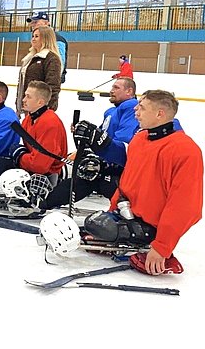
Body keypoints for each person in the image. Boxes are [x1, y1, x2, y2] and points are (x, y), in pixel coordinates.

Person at [80, 90, 202, 275]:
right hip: (128, 216)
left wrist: (162, 247)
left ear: (160, 114)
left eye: (142, 108)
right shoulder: (140, 139)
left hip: (152, 229)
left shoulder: (186, 151)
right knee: (94, 224)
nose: (135, 111)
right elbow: (127, 183)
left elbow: (185, 206)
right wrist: (112, 211)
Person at [41, 78, 139, 209]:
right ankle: (46, 201)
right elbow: (100, 135)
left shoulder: (130, 106)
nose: (111, 91)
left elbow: (122, 142)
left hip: (116, 168)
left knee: (90, 180)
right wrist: (84, 134)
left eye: (116, 88)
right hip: (105, 163)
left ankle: (45, 202)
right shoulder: (110, 111)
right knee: (83, 179)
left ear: (129, 91)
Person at [16, 25, 61, 113]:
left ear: (46, 39)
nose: (33, 39)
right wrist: (20, 103)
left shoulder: (51, 58)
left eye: (37, 36)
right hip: (28, 105)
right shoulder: (29, 58)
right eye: (33, 36)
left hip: (40, 108)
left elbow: (53, 86)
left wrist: (47, 108)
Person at [27, 12, 68, 83]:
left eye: (36, 22)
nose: (33, 25)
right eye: (32, 23)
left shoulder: (57, 39)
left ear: (47, 23)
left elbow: (60, 63)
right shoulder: (36, 40)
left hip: (47, 82)